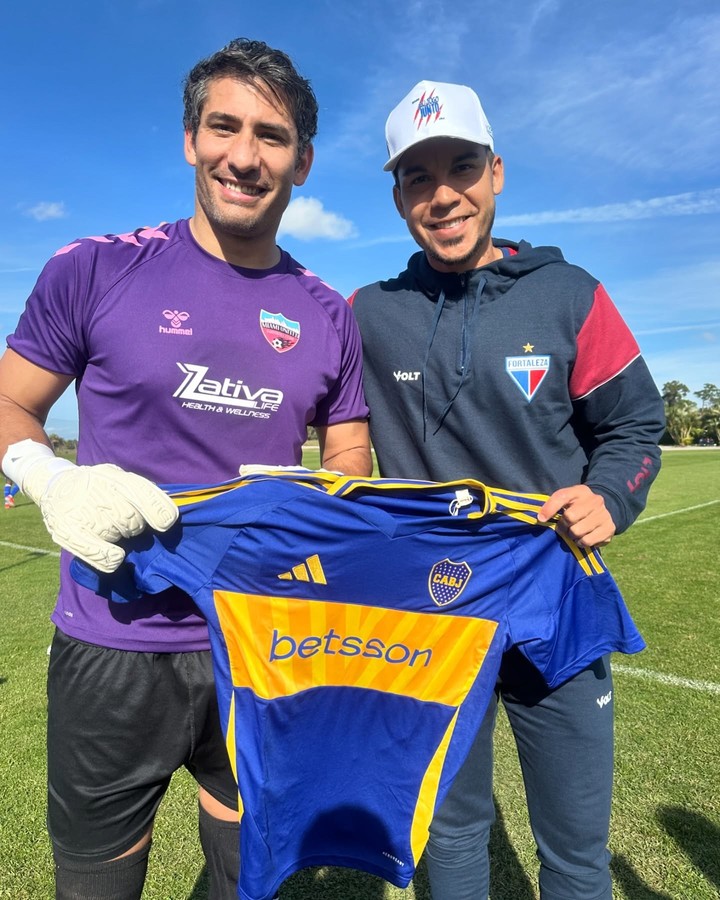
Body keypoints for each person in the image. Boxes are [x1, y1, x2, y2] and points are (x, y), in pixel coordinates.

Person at [0, 38, 370, 900]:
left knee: (247, 878)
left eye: (271, 136)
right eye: (223, 127)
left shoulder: (325, 312)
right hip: (113, 646)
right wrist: (49, 477)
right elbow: (12, 403)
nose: (244, 156)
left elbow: (347, 446)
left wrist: (332, 491)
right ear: (190, 138)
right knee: (96, 888)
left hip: (262, 647)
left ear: (303, 161)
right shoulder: (94, 267)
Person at [350, 80, 665, 900]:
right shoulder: (367, 314)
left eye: (461, 167)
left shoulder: (570, 294)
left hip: (557, 598)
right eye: (418, 177)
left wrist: (611, 497)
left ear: (496, 173)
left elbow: (635, 425)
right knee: (448, 834)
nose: (443, 194)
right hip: (431, 615)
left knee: (573, 850)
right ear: (396, 196)